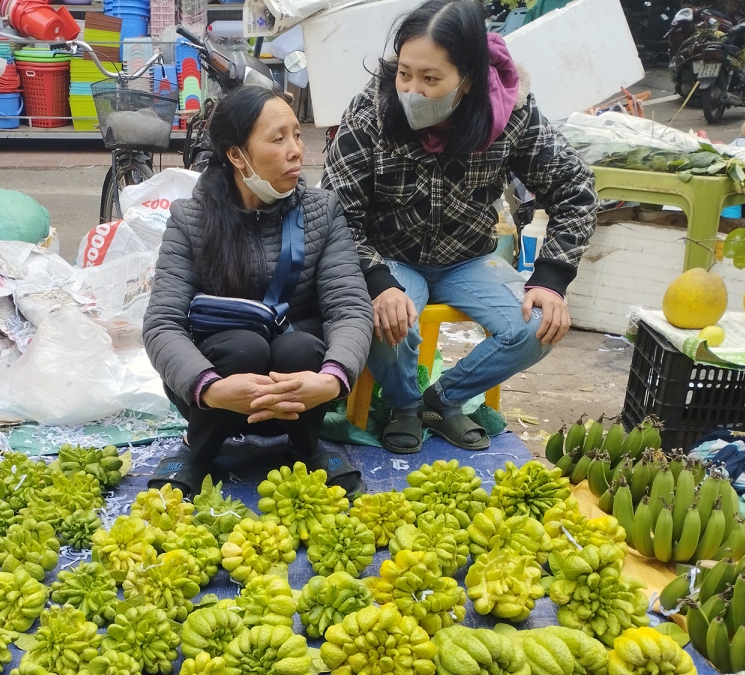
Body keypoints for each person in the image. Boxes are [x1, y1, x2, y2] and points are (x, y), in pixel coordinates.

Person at [323, 0, 597, 455]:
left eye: (431, 79)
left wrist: (551, 279)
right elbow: (335, 208)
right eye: (404, 73)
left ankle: (441, 399)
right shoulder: (369, 111)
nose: (412, 90)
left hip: (468, 260)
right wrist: (376, 281)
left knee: (537, 326)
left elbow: (576, 188)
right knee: (383, 320)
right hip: (389, 257)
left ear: (467, 79)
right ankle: (405, 405)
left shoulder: (510, 115)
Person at [143, 86, 374, 497]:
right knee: (245, 346)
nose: (296, 151)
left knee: (300, 346)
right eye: (278, 138)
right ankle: (198, 449)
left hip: (300, 390)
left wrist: (334, 378)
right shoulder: (191, 219)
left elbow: (350, 308)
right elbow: (163, 324)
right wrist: (208, 387)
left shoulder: (322, 211)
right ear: (237, 155)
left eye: (297, 135)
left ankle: (307, 445)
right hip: (219, 392)